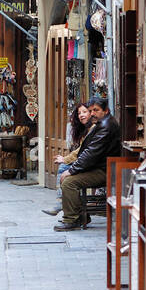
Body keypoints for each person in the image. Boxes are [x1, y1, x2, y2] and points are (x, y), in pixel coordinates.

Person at [56, 96, 120, 231]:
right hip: (101, 166)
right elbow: (88, 152)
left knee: (69, 182)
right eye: (90, 110)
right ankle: (81, 215)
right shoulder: (102, 123)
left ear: (106, 111)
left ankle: (71, 219)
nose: (92, 114)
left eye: (96, 110)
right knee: (66, 177)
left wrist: (72, 170)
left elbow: (91, 153)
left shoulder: (105, 126)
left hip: (105, 170)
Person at [43, 103, 95, 216]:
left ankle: (64, 205)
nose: (81, 115)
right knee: (64, 168)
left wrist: (65, 159)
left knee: (65, 170)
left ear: (91, 113)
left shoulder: (93, 129)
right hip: (87, 162)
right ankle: (65, 205)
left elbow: (81, 151)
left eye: (84, 112)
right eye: (79, 113)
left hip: (94, 165)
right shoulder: (86, 129)